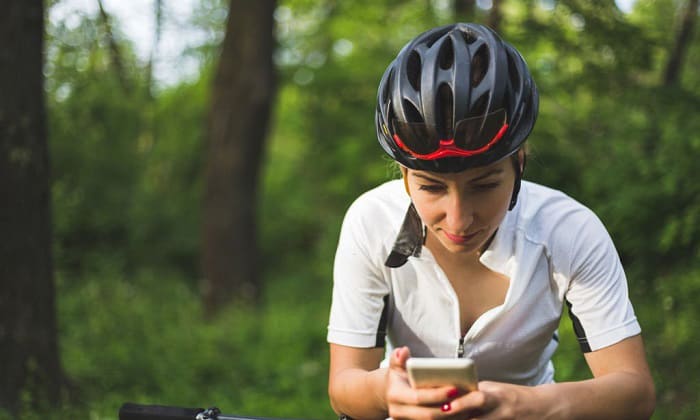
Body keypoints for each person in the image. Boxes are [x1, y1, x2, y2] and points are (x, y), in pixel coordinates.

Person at [326, 23, 655, 419]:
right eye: (432, 188)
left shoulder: (570, 230)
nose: (459, 218)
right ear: (403, 175)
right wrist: (383, 391)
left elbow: (634, 391)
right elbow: (344, 387)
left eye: (483, 185)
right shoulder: (371, 222)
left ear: (520, 162)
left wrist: (522, 405)